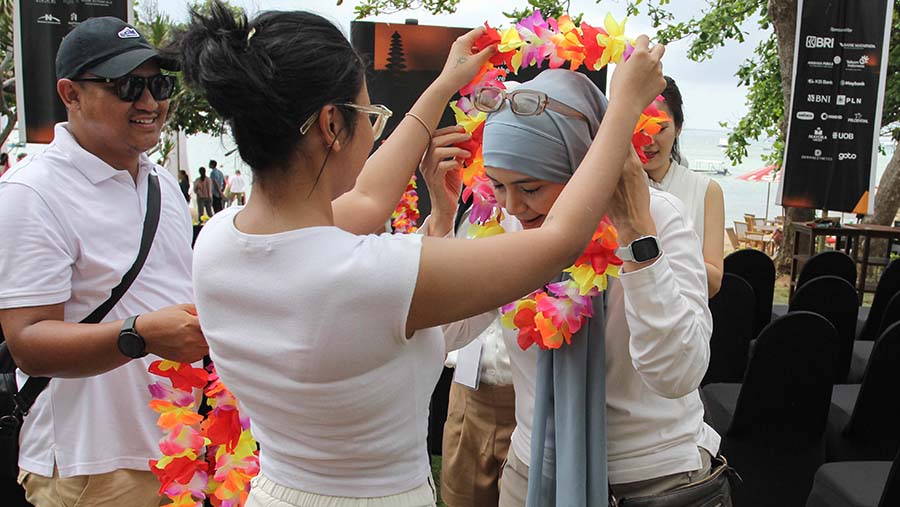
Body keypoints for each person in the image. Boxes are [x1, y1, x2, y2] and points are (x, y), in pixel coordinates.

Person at [180, 2, 665, 506]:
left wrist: (442, 85)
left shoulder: (217, 242)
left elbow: (370, 197)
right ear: (330, 125)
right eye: (370, 116)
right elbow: (557, 243)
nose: (375, 132)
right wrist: (622, 108)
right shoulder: (373, 274)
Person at [423, 69, 719, 507]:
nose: (512, 205)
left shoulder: (660, 215)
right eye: (499, 185)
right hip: (535, 473)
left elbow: (677, 372)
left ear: (582, 164)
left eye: (530, 187)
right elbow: (442, 336)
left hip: (651, 478)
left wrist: (636, 234)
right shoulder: (502, 222)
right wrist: (444, 223)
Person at [0, 17, 208, 507]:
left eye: (158, 84)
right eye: (126, 86)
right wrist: (139, 334)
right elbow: (28, 341)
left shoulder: (160, 185)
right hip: (89, 469)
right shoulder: (33, 193)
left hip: (174, 453)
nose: (150, 102)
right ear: (70, 94)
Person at [642, 76, 725, 296]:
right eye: (640, 127)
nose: (649, 141)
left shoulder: (706, 190)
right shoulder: (613, 187)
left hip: (685, 319)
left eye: (660, 129)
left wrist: (655, 251)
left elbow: (714, 282)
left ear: (678, 127)